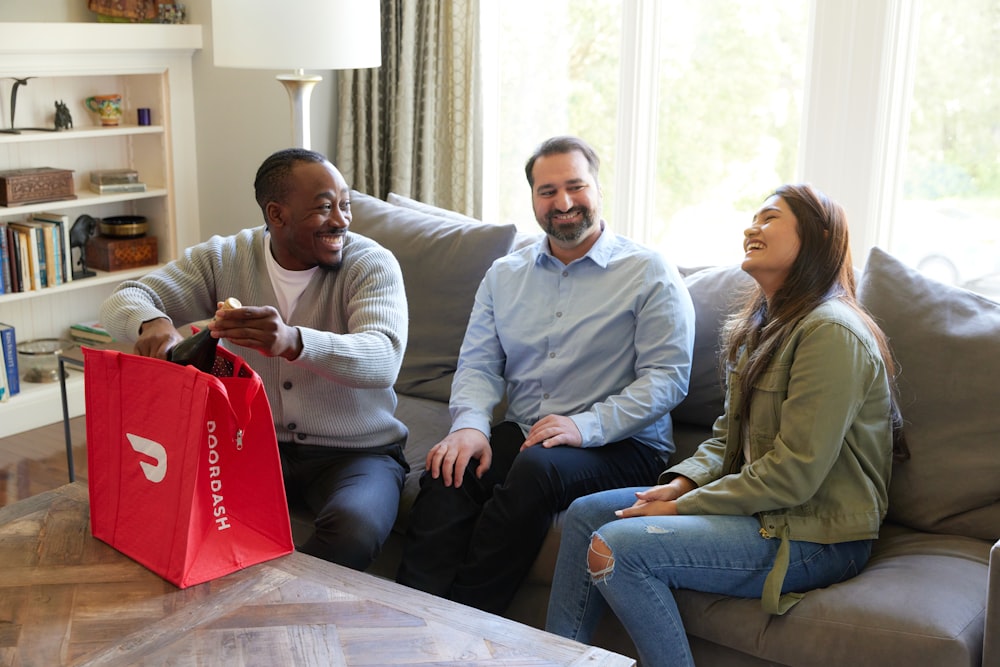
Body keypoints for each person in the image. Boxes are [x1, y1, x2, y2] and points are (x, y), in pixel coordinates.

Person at [545, 183, 909, 666]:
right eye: (753, 219)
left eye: (769, 219)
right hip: (761, 511)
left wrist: (682, 509)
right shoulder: (763, 324)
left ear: (817, 236)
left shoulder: (832, 331)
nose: (750, 228)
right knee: (587, 514)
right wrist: (678, 486)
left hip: (815, 534)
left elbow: (792, 474)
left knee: (618, 548)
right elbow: (726, 440)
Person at [395, 135, 696, 614]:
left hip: (624, 444)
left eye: (575, 186)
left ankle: (468, 623)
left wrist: (585, 426)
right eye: (547, 190)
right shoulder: (504, 275)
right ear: (534, 198)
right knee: (448, 467)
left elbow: (667, 378)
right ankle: (410, 619)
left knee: (536, 469)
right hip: (530, 431)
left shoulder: (648, 272)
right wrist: (470, 425)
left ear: (597, 189)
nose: (564, 202)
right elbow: (477, 364)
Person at [99, 147, 409, 571]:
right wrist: (150, 322)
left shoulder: (370, 265)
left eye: (344, 205)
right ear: (277, 214)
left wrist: (294, 341)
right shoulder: (225, 258)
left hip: (358, 452)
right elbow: (125, 297)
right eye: (323, 208)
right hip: (251, 445)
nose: (341, 220)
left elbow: (384, 357)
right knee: (165, 502)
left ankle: (283, 613)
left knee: (354, 526)